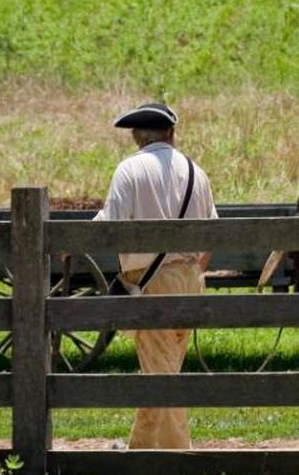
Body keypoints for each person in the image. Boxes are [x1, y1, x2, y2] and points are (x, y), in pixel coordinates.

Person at [94, 102, 218, 449]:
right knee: (163, 369)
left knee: (160, 375)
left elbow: (110, 226)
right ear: (171, 133)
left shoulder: (129, 170)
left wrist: (71, 242)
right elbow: (213, 233)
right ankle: (143, 450)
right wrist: (192, 273)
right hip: (191, 278)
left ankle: (174, 454)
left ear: (137, 136)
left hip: (152, 282)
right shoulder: (196, 171)